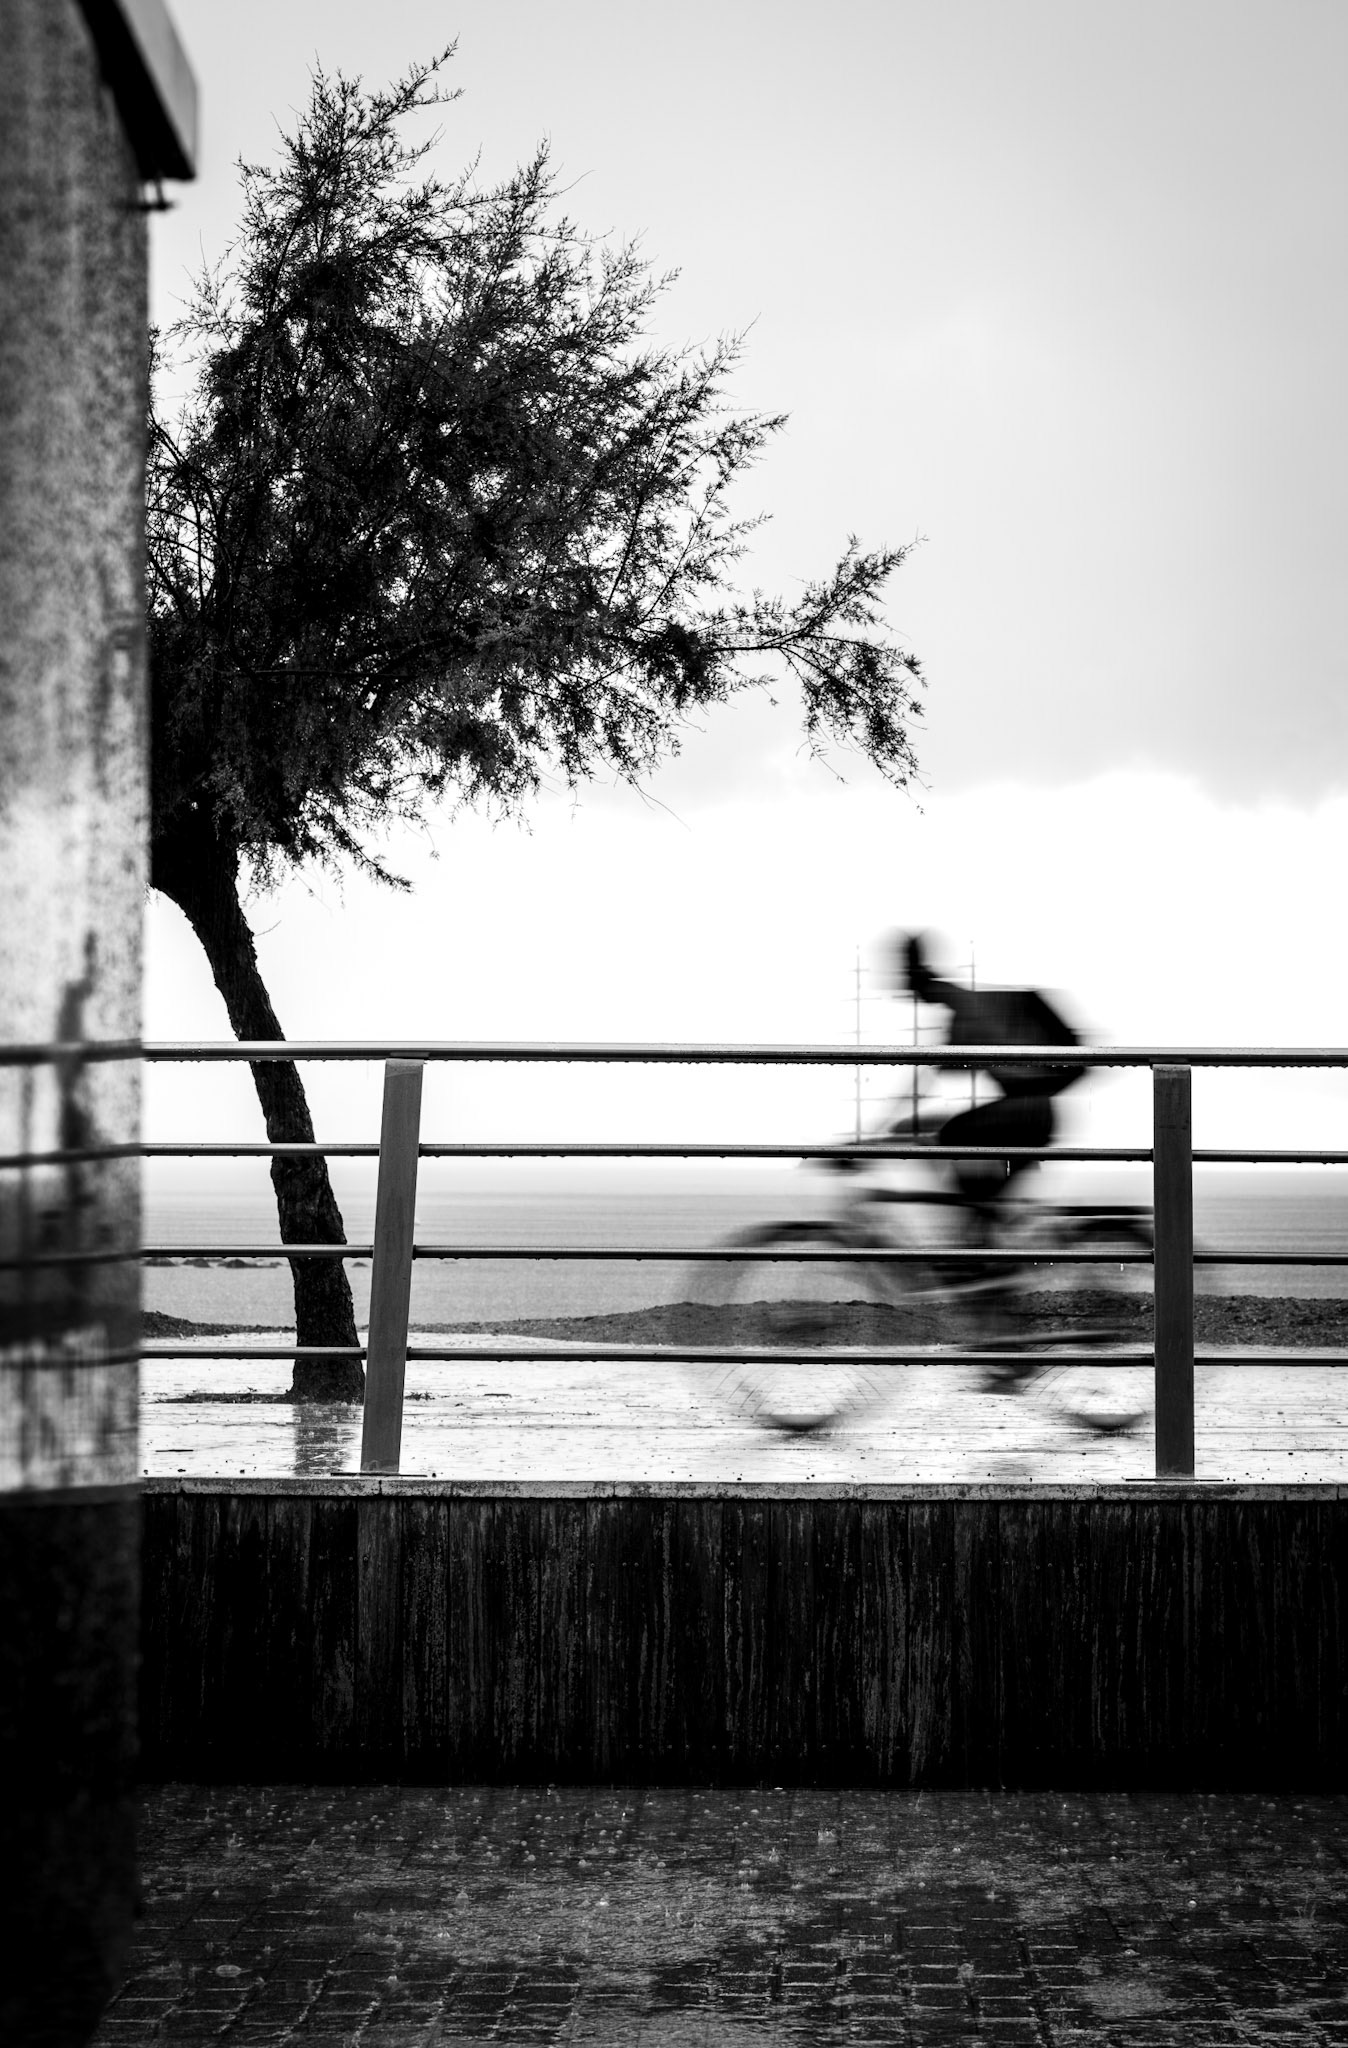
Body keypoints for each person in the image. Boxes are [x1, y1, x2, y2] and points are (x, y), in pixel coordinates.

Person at [896, 932, 1084, 1223]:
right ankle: (987, 1236)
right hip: (1035, 1113)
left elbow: (927, 1079)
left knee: (953, 1135)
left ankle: (985, 1237)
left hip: (1026, 1112)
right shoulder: (976, 1006)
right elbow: (935, 1073)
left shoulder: (968, 1011)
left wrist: (881, 1129)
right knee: (979, 1191)